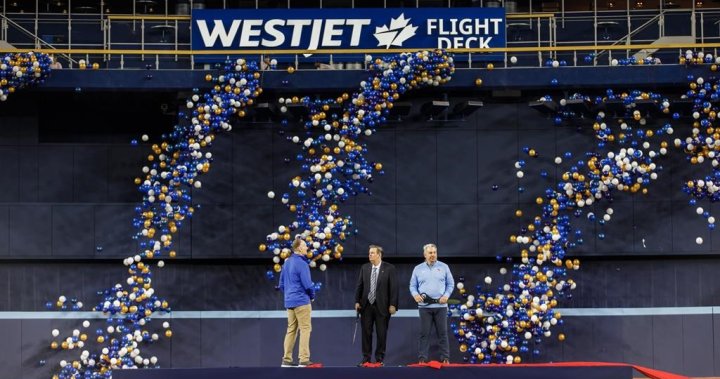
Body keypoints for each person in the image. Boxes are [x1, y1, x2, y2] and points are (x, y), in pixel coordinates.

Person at [409, 243, 454, 364]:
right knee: (424, 334)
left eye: (434, 252)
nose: (433, 255)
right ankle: (422, 359)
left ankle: (445, 358)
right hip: (424, 308)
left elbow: (450, 284)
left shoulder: (444, 267)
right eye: (430, 253)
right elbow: (412, 286)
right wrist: (415, 295)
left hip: (441, 307)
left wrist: (446, 296)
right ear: (425, 254)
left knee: (443, 334)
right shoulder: (417, 269)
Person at [354, 244, 398, 366]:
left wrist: (393, 304)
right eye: (369, 253)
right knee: (366, 333)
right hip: (366, 306)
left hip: (382, 307)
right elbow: (359, 286)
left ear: (379, 255)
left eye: (372, 253)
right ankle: (366, 358)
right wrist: (357, 301)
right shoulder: (365, 268)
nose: (370, 255)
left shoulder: (389, 268)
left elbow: (394, 288)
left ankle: (379, 359)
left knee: (381, 333)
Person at [278, 237, 316, 367]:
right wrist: (312, 295)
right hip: (301, 301)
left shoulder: (287, 262)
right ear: (299, 248)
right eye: (305, 245)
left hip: (289, 302)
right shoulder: (302, 263)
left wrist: (289, 295)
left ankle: (286, 360)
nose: (307, 247)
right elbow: (308, 284)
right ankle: (304, 359)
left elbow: (281, 284)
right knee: (305, 329)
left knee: (291, 330)